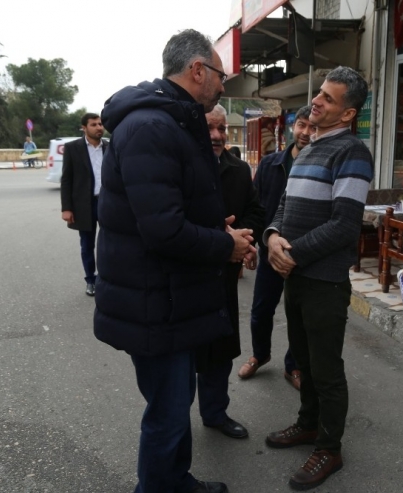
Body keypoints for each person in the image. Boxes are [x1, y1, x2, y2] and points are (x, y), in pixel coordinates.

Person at [94, 29, 254, 493]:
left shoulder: (171, 121)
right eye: (221, 75)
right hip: (155, 301)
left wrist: (214, 226)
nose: (224, 85)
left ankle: (175, 481)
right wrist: (227, 246)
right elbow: (163, 230)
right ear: (197, 71)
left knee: (174, 402)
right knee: (166, 411)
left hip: (166, 296)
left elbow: (171, 210)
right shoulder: (153, 127)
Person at [263, 67, 373, 491]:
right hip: (296, 275)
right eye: (319, 94)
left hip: (323, 281)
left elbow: (345, 225)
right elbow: (283, 206)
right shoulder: (308, 147)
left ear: (347, 114)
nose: (317, 102)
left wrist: (293, 255)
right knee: (304, 360)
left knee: (326, 369)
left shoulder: (352, 152)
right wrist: (272, 237)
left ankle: (330, 448)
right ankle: (307, 425)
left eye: (328, 98)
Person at [195, 104, 264, 440]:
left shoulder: (237, 170)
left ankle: (215, 413)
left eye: (222, 129)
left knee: (220, 353)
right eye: (210, 127)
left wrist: (244, 239)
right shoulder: (181, 165)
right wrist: (220, 236)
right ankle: (174, 424)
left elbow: (255, 210)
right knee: (184, 358)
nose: (217, 136)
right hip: (185, 277)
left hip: (224, 277)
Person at [239, 105, 315, 390]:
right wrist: (251, 245)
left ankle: (293, 365)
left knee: (300, 316)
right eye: (302, 126)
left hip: (303, 254)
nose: (306, 133)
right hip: (270, 251)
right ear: (293, 128)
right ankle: (260, 354)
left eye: (313, 127)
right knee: (261, 311)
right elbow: (256, 209)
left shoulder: (323, 168)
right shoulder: (271, 165)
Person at [60, 113, 107, 296]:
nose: (99, 127)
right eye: (94, 124)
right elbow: (67, 179)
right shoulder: (73, 148)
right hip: (84, 205)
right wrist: (67, 208)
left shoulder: (109, 147)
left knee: (110, 243)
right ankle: (91, 280)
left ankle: (108, 278)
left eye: (100, 124)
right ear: (84, 128)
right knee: (87, 245)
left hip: (107, 203)